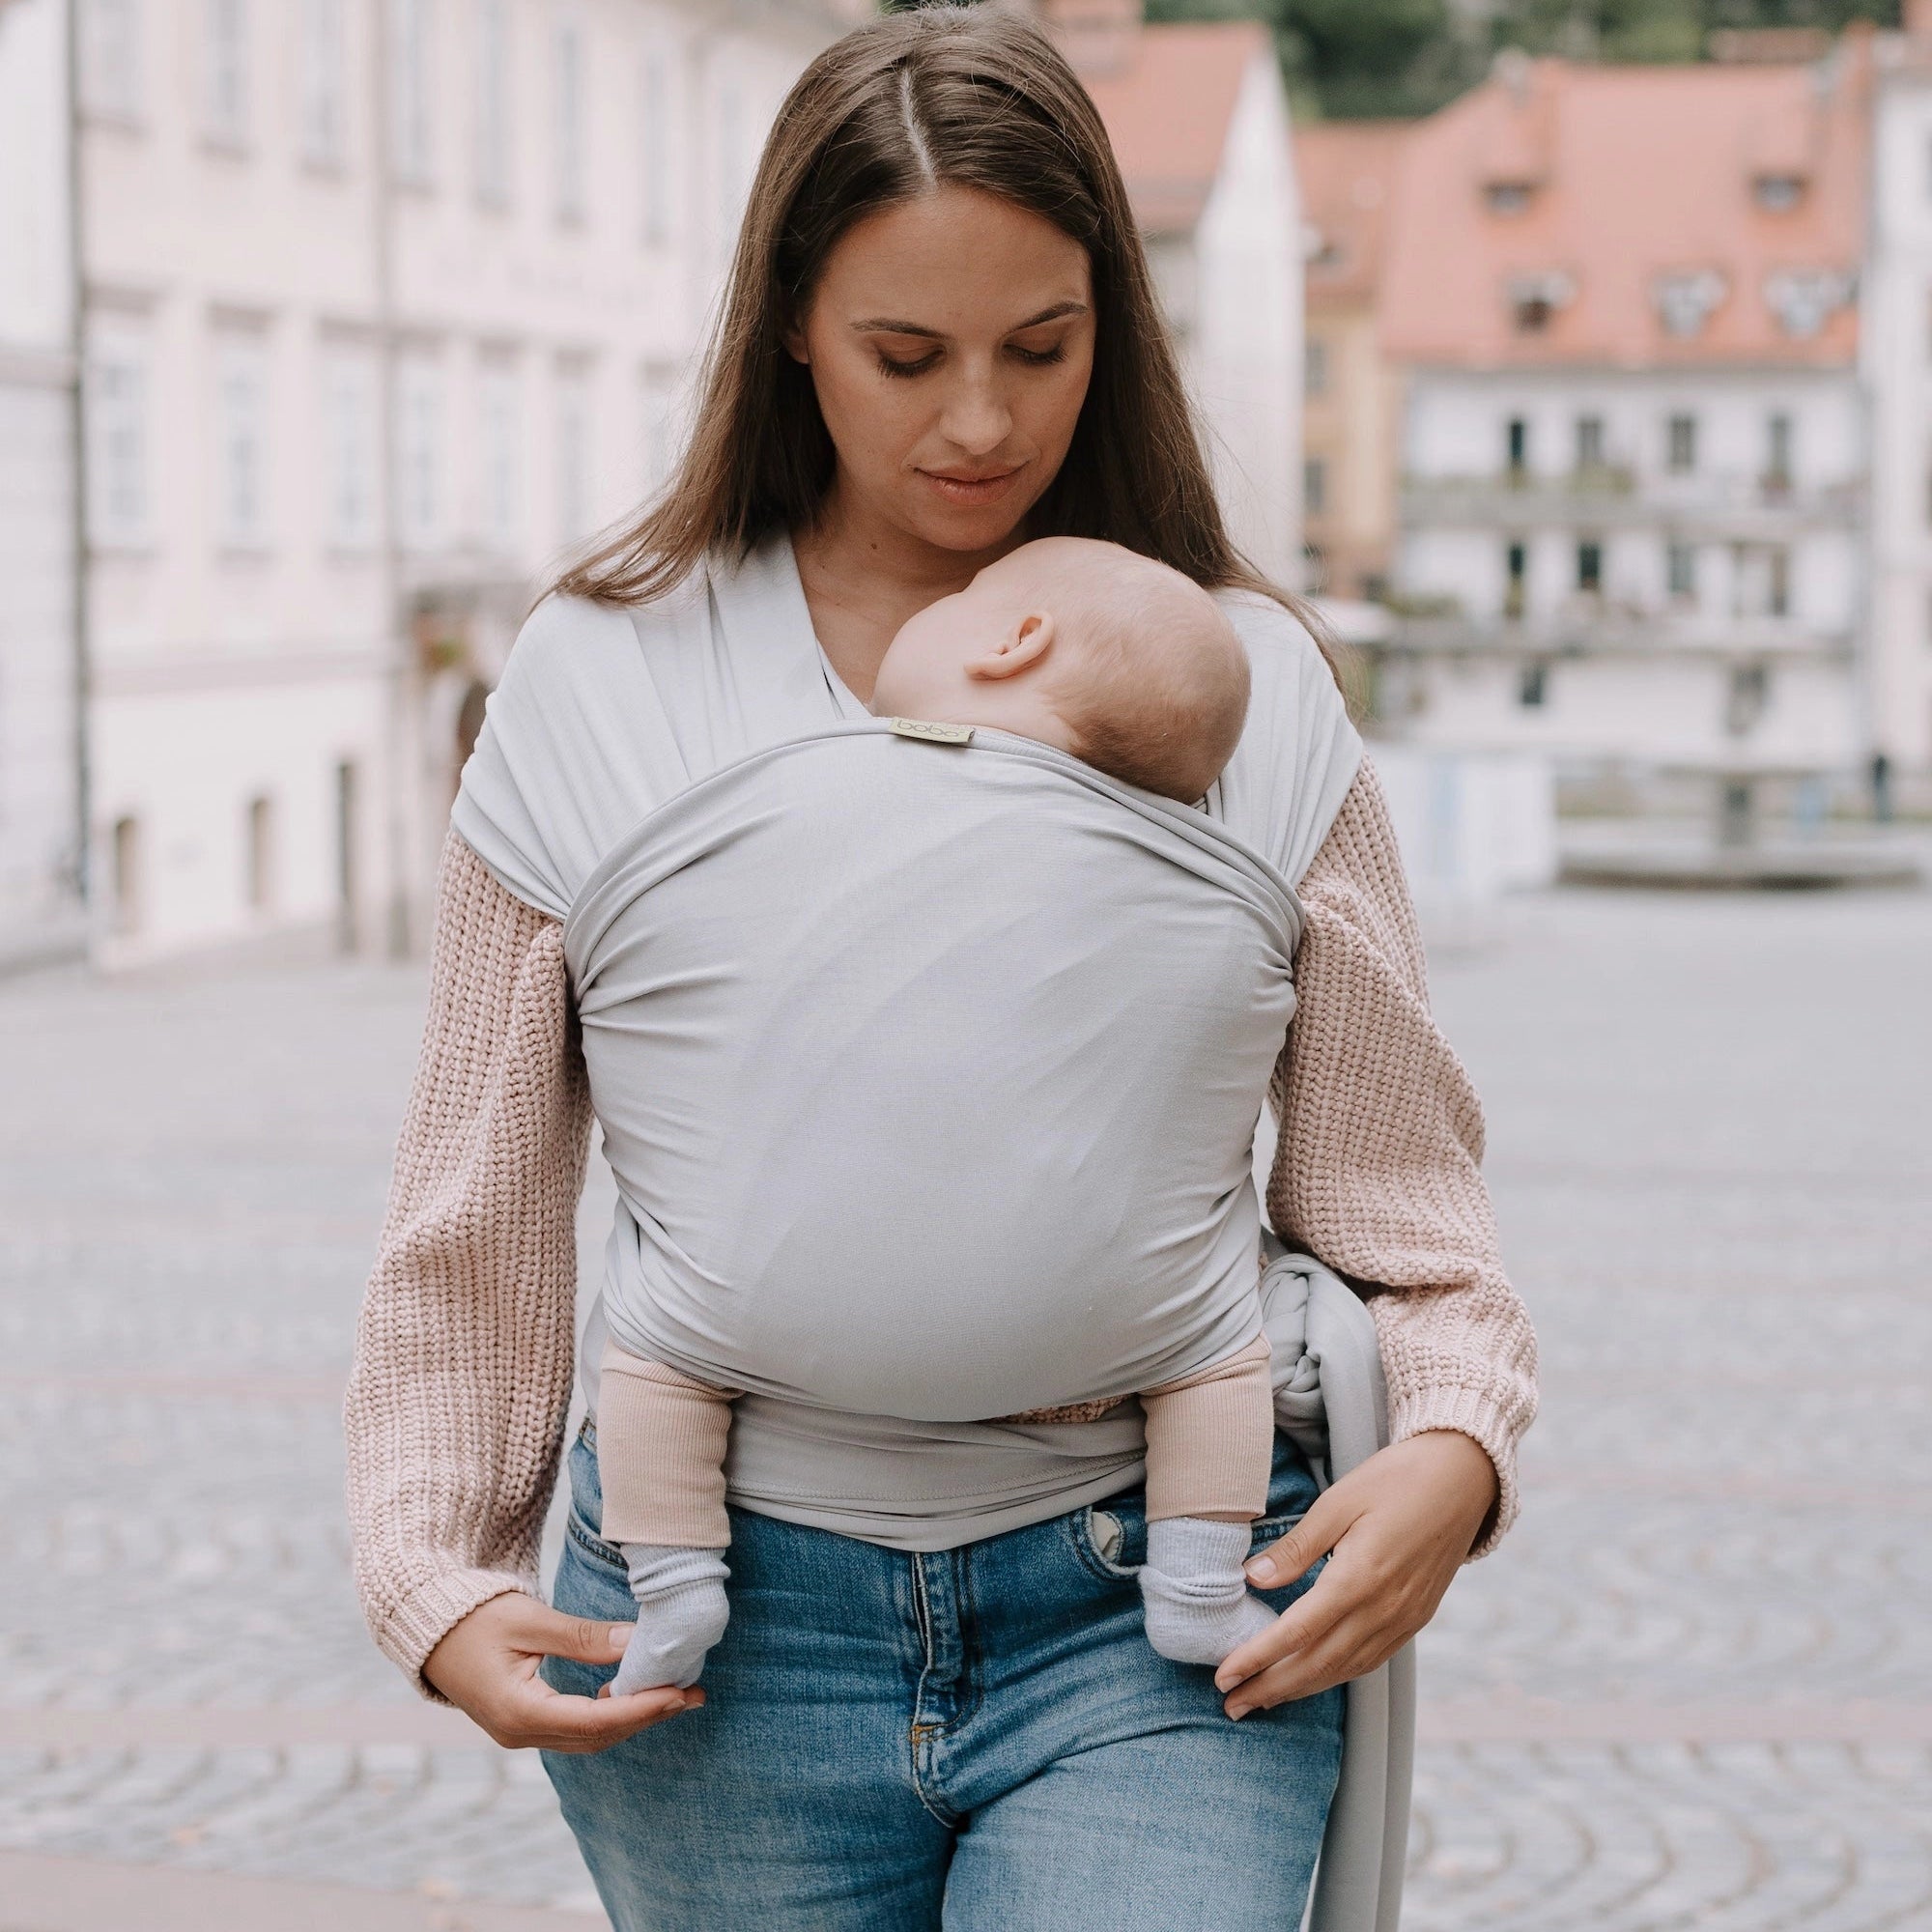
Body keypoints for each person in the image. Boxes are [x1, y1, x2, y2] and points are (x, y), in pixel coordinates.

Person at [346, 11, 1538, 1928]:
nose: (979, 420)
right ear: (789, 332)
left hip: (1159, 1612)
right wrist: (435, 1572)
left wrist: (1461, 1443)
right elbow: (474, 1203)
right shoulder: (600, 679)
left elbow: (1401, 1191)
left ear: (1111, 326)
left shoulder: (1242, 685)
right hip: (716, 1629)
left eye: (1039, 348)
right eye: (906, 355)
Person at [591, 537, 1283, 1697]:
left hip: (751, 1323)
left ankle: (670, 1586)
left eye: (959, 598)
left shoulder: (791, 792)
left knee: (653, 1349)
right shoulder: (1191, 874)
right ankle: (1200, 1585)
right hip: (1127, 1337)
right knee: (1220, 1349)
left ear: (1010, 642)